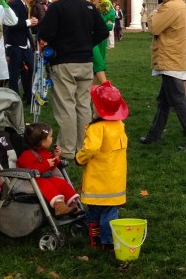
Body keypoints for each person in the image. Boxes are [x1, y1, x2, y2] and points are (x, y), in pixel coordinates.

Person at [37, 0, 110, 158]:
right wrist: (86, 43)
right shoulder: (88, 6)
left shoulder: (56, 7)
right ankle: (83, 145)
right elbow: (102, 31)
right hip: (85, 62)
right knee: (83, 104)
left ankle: (67, 148)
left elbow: (45, 33)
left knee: (65, 105)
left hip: (64, 61)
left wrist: (60, 43)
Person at [140, 0, 186, 149]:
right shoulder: (176, 5)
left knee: (178, 100)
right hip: (174, 59)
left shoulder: (171, 6)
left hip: (171, 61)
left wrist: (155, 10)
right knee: (164, 100)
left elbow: (153, 27)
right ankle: (154, 135)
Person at [77, 81, 128, 250]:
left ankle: (103, 239)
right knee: (110, 210)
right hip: (115, 179)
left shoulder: (97, 128)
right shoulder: (119, 125)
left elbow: (90, 148)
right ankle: (104, 240)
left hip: (98, 179)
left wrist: (79, 158)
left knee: (96, 210)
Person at [16, 122, 80, 216]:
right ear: (42, 142)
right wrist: (46, 164)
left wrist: (55, 157)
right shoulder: (26, 155)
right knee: (46, 184)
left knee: (60, 182)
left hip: (44, 178)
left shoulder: (44, 152)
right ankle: (59, 207)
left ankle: (72, 204)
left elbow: (50, 167)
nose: (52, 138)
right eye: (50, 137)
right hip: (30, 181)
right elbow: (30, 170)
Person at [6, 0, 38, 107]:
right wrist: (29, 22)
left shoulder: (24, 4)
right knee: (14, 73)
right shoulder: (13, 4)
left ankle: (28, 96)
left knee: (29, 70)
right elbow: (11, 24)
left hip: (25, 44)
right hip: (15, 44)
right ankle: (14, 100)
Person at [84, 0, 117, 85]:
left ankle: (91, 91)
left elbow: (110, 26)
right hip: (91, 40)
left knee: (95, 68)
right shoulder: (86, 9)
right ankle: (107, 86)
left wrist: (98, 24)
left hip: (101, 40)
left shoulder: (107, 10)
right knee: (99, 63)